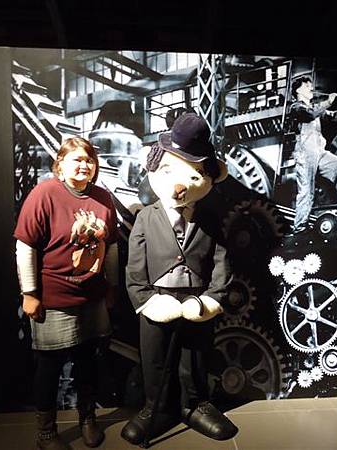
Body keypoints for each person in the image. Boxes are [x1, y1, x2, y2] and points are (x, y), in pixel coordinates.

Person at [121, 113, 238, 444]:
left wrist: (212, 299)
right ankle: (156, 406)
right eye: (168, 171)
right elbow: (134, 267)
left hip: (197, 299)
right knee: (154, 356)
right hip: (157, 299)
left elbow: (221, 263)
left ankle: (195, 404)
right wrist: (147, 301)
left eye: (194, 175)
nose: (178, 186)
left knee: (196, 355)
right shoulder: (145, 218)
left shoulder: (211, 220)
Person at [14, 137, 118, 449]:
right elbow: (25, 245)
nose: (84, 165)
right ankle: (46, 432)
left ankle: (87, 419)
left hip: (92, 297)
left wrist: (111, 286)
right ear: (60, 165)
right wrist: (30, 293)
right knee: (49, 367)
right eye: (77, 160)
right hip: (55, 298)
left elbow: (111, 246)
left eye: (89, 160)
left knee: (88, 362)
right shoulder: (44, 194)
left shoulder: (103, 198)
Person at [288, 75, 337, 228]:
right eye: (307, 86)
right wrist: (328, 102)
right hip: (305, 155)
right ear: (298, 90)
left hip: (319, 152)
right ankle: (300, 226)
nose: (311, 88)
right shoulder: (296, 108)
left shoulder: (315, 109)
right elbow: (309, 114)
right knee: (307, 191)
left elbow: (333, 117)